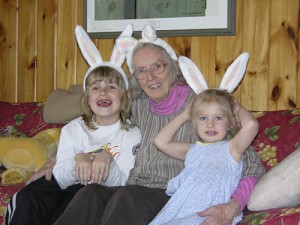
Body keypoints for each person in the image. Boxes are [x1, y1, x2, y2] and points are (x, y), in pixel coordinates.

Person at [37, 25, 265, 225]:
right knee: (91, 194)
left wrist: (232, 207)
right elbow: (98, 125)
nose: (151, 77)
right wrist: (56, 159)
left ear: (173, 68)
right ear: (135, 77)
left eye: (158, 66)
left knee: (127, 198)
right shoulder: (135, 106)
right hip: (127, 188)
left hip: (170, 195)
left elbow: (250, 160)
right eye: (142, 71)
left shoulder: (201, 107)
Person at [5, 25, 141, 225]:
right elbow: (60, 176)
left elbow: (123, 182)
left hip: (96, 192)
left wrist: (108, 160)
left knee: (80, 202)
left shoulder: (131, 134)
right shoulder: (74, 128)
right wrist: (79, 159)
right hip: (63, 185)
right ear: (87, 98)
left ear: (125, 96)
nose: (103, 93)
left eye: (111, 87)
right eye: (96, 88)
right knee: (28, 196)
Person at [149, 89, 259, 225]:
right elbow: (160, 142)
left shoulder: (232, 148)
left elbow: (251, 125)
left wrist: (237, 108)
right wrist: (184, 115)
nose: (210, 124)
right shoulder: (192, 150)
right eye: (203, 118)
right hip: (177, 212)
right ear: (195, 124)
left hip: (208, 214)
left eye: (218, 118)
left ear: (230, 123)